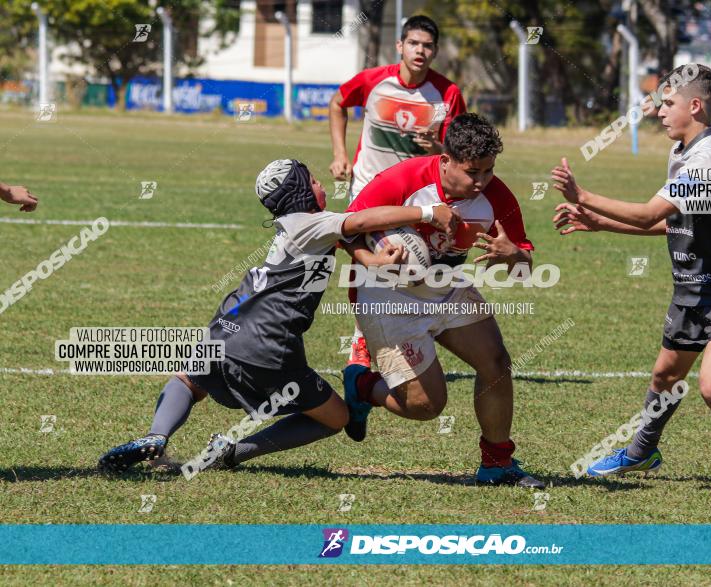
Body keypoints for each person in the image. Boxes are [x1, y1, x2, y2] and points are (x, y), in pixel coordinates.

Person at [98, 158, 458, 473]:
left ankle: (156, 436)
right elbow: (362, 220)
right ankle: (231, 452)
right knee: (336, 417)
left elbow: (347, 238)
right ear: (300, 191)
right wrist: (427, 213)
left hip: (228, 322)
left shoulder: (296, 226)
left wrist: (373, 260)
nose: (320, 183)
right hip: (266, 342)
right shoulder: (310, 223)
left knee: (188, 380)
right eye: (313, 180)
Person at [552, 64, 711, 501]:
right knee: (664, 377)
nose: (658, 112)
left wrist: (583, 197)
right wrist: (600, 224)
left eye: (668, 103)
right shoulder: (681, 151)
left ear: (694, 106)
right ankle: (641, 452)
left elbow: (646, 213)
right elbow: (671, 224)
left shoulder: (709, 157)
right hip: (694, 285)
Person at [341, 113, 544, 488]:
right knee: (427, 406)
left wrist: (514, 254)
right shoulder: (403, 180)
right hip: (388, 296)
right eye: (473, 172)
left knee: (496, 362)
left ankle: (498, 463)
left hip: (447, 287)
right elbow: (345, 228)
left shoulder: (497, 196)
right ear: (445, 160)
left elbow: (525, 268)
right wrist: (373, 261)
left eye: (489, 170)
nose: (482, 181)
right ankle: (361, 385)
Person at [328, 14, 467, 368]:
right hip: (369, 189)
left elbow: (456, 148)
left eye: (428, 45)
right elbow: (337, 103)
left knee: (414, 264)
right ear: (400, 46)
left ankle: (410, 333)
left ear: (435, 51)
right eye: (414, 44)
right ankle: (362, 339)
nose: (420, 51)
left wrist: (438, 143)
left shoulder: (446, 93)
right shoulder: (374, 80)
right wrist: (340, 154)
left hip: (417, 194)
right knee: (369, 263)